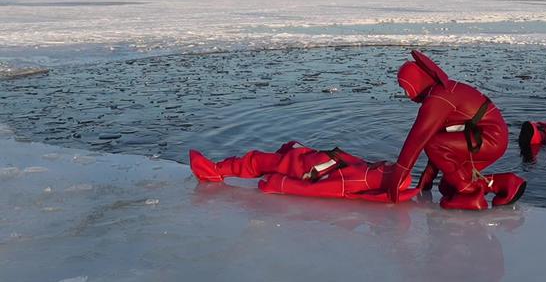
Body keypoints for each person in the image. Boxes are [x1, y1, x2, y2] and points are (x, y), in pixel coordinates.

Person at [382, 50, 526, 210]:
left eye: (406, 88)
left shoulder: (438, 98)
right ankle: (506, 183)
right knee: (447, 186)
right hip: (487, 137)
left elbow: (419, 138)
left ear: (415, 83)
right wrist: (429, 174)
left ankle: (470, 195)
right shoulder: (443, 91)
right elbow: (441, 137)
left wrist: (398, 175)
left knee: (436, 148)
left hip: (489, 138)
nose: (407, 95)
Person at [188, 141, 419, 203]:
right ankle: (216, 169)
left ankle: (214, 171)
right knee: (287, 147)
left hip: (303, 168)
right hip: (308, 160)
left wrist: (278, 185)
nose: (388, 163)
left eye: (390, 168)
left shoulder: (364, 177)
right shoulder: (370, 173)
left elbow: (325, 190)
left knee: (256, 160)